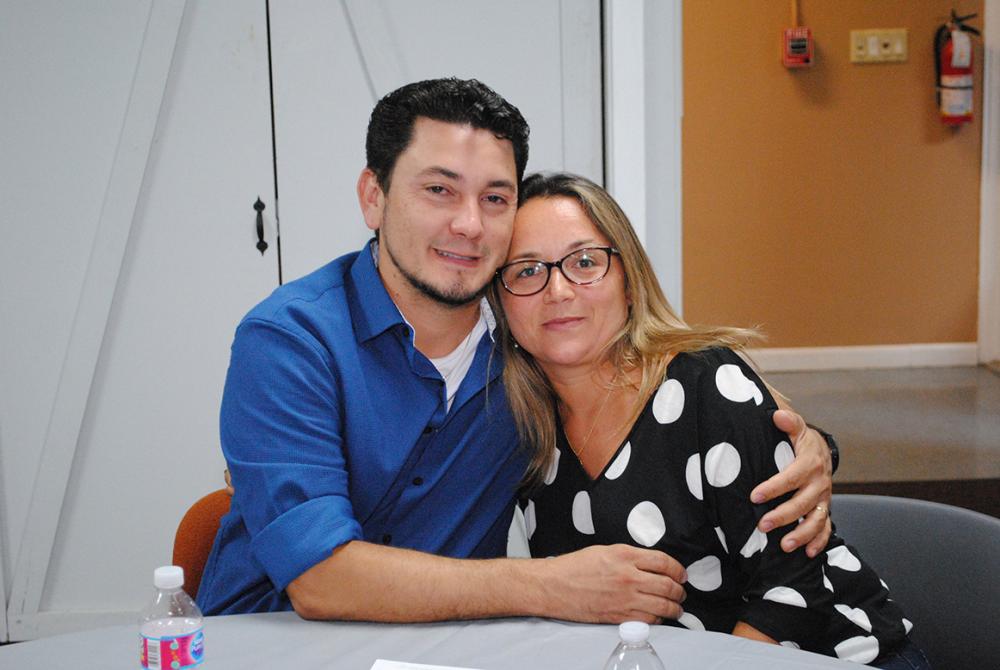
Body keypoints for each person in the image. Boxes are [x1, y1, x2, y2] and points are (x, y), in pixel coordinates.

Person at [197, 78, 836, 624]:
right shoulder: (291, 341)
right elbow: (320, 580)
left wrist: (806, 444)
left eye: (495, 198)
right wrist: (549, 586)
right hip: (270, 639)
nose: (469, 224)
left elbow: (667, 408)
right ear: (374, 196)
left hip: (442, 648)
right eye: (439, 190)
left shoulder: (530, 351)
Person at [490, 172, 929, 668]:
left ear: (629, 282)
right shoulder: (520, 428)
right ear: (500, 301)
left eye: (585, 262)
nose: (558, 290)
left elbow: (788, 593)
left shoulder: (706, 383)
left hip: (833, 657)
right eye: (526, 271)